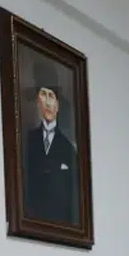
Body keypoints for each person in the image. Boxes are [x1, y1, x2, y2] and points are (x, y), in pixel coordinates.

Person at [22, 61, 79, 224]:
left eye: (51, 96)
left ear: (58, 105)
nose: (47, 102)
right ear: (38, 101)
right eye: (43, 94)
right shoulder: (29, 141)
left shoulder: (68, 148)